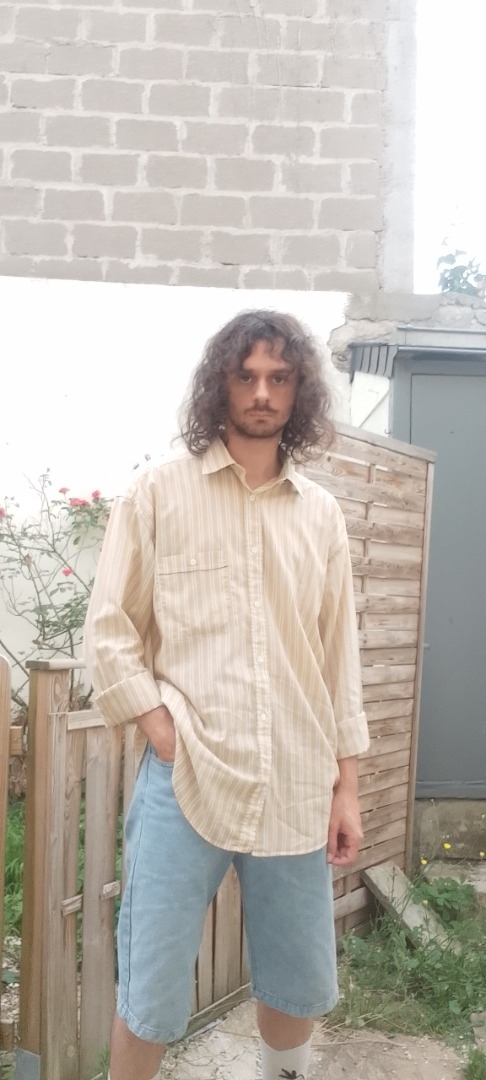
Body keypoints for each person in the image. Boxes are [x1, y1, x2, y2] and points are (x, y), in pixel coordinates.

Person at [84, 309, 369, 1080]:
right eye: (246, 376)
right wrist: (160, 726)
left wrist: (345, 788)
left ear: (300, 390)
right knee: (151, 982)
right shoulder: (157, 494)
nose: (262, 393)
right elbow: (109, 629)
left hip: (297, 781)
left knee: (298, 975)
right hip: (187, 777)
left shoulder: (321, 517)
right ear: (221, 383)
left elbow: (337, 661)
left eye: (279, 377)